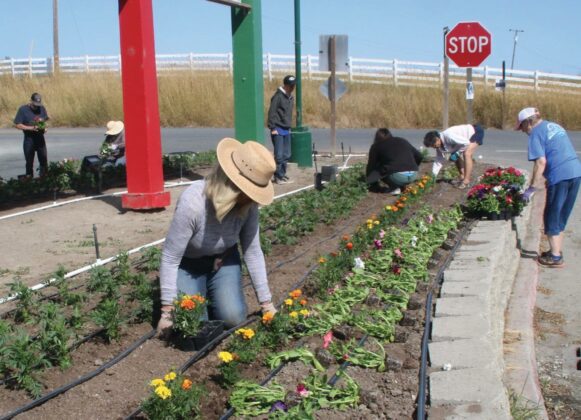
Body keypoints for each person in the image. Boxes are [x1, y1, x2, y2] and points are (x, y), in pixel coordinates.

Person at [157, 138, 278, 336]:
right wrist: (167, 310)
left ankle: (210, 290)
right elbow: (170, 257)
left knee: (233, 318)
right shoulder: (193, 203)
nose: (251, 197)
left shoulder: (248, 206)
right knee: (193, 325)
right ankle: (194, 290)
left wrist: (267, 304)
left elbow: (253, 251)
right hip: (188, 265)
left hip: (224, 260)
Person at [516, 107, 581, 268]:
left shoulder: (535, 134)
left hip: (560, 177)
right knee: (561, 215)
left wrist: (531, 188)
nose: (523, 131)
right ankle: (556, 251)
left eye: (522, 127)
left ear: (528, 122)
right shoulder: (554, 126)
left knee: (552, 215)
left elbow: (541, 162)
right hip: (575, 172)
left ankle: (555, 257)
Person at [423, 124, 485, 188]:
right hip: (464, 140)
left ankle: (466, 181)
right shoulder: (438, 146)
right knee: (454, 154)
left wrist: (457, 153)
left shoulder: (448, 136)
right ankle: (463, 176)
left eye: (434, 145)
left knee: (467, 154)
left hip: (475, 132)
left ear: (437, 139)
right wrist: (433, 176)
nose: (434, 147)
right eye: (432, 146)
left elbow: (466, 143)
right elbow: (438, 161)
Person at [366, 128, 423, 195]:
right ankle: (401, 184)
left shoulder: (376, 146)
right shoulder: (402, 140)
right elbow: (419, 156)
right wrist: (412, 166)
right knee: (393, 166)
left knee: (379, 167)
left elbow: (371, 165)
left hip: (398, 177)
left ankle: (394, 187)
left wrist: (369, 181)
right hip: (413, 175)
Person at [267, 75, 296, 184]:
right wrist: (273, 127)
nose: (293, 87)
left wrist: (289, 127)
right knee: (279, 155)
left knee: (287, 154)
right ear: (286, 85)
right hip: (277, 128)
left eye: (294, 85)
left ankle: (282, 174)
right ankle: (278, 177)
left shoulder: (290, 97)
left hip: (286, 128)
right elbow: (272, 112)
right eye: (291, 85)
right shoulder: (278, 97)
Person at [13, 93, 50, 177]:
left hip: (40, 138)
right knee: (29, 162)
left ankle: (44, 179)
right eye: (35, 105)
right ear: (30, 101)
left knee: (43, 160)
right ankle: (29, 180)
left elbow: (44, 119)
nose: (36, 107)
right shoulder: (23, 110)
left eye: (38, 104)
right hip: (29, 139)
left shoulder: (42, 108)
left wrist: (45, 127)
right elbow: (17, 124)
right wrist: (31, 128)